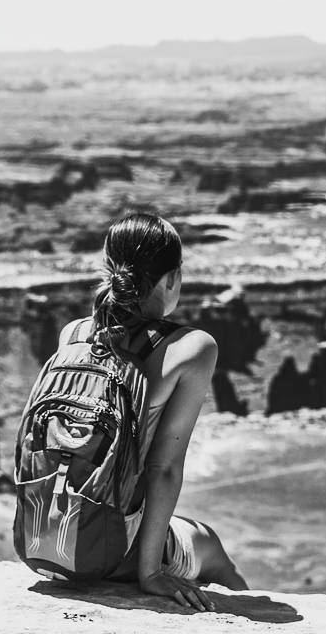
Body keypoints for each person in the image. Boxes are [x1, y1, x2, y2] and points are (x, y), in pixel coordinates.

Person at [58, 211, 248, 611]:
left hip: (49, 537)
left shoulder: (72, 334)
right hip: (111, 551)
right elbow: (163, 468)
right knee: (209, 546)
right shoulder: (191, 349)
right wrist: (150, 574)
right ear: (171, 279)